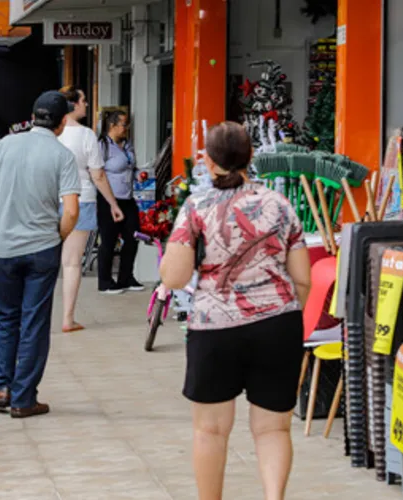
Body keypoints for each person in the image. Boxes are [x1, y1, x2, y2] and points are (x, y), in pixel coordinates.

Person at [159, 121, 312, 500]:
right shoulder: (280, 205)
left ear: (208, 162)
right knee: (274, 429)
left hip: (214, 328)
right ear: (252, 157)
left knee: (210, 430)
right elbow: (303, 279)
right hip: (278, 326)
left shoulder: (195, 207)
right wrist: (285, 314)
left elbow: (175, 278)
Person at [0, 90, 80, 419]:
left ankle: (2, 388)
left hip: (4, 251)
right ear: (62, 122)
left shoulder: (7, 144)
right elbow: (71, 212)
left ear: (34, 116)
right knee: (34, 323)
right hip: (42, 251)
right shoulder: (62, 155)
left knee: (6, 318)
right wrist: (57, 237)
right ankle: (24, 398)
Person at [56, 87, 124, 332]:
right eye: (84, 100)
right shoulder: (85, 135)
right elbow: (98, 175)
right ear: (74, 104)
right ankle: (67, 318)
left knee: (44, 260)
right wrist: (113, 204)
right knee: (72, 263)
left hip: (49, 201)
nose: (87, 104)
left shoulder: (49, 132)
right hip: (80, 199)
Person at [95, 110, 144, 294]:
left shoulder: (127, 145)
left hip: (128, 197)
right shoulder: (102, 146)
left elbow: (132, 167)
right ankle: (105, 281)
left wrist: (139, 175)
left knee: (133, 236)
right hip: (109, 199)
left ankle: (126, 277)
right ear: (113, 126)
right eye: (123, 124)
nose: (126, 128)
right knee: (109, 239)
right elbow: (97, 172)